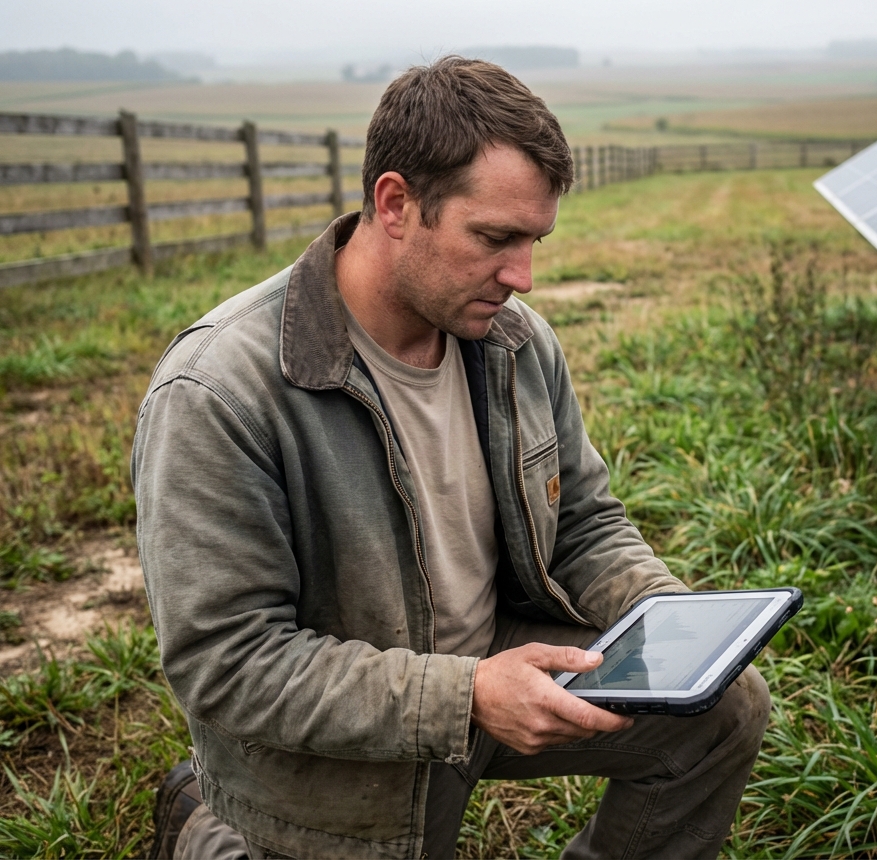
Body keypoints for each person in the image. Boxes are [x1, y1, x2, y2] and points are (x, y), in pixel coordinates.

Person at [133, 56, 771, 860]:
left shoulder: (512, 340)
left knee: (724, 711)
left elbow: (581, 520)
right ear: (396, 203)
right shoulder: (219, 391)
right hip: (346, 739)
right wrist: (464, 697)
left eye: (535, 241)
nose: (524, 278)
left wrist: (668, 620)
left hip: (502, 663)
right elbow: (227, 661)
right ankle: (204, 828)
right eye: (496, 238)